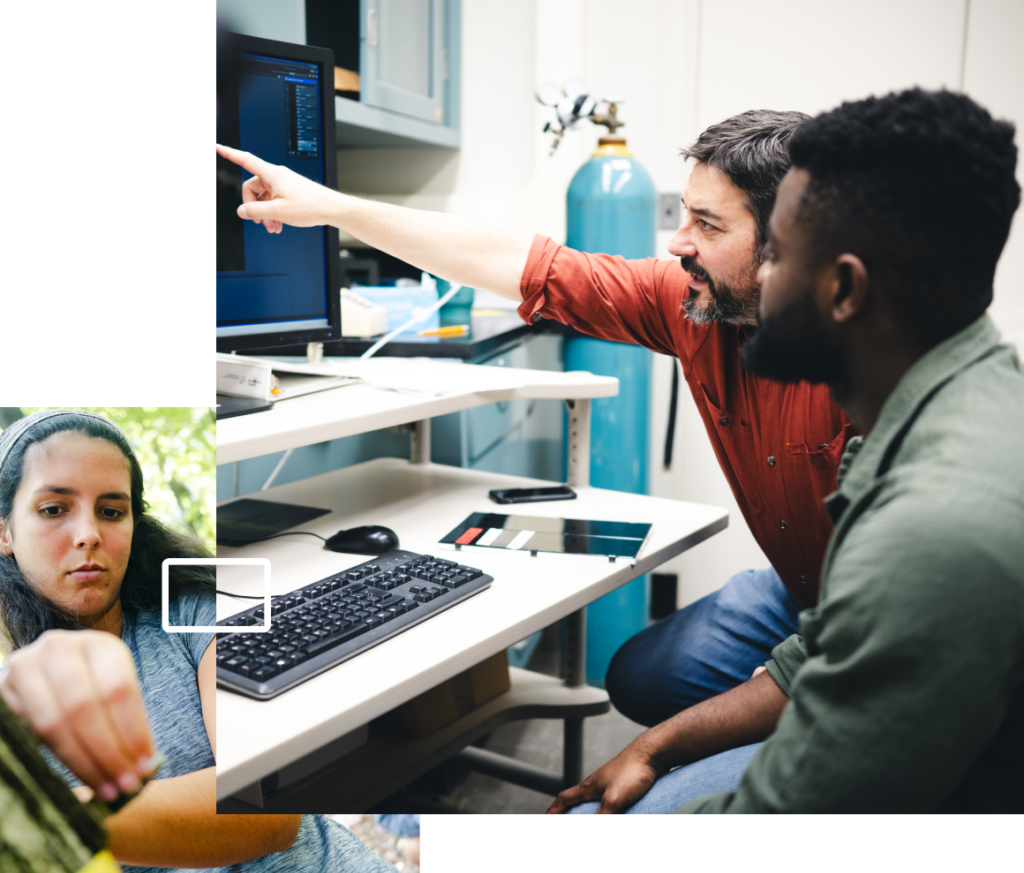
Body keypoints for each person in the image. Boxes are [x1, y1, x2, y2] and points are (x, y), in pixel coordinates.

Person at [216, 108, 857, 729]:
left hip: (874, 615)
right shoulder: (698, 305)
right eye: (685, 215)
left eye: (708, 227)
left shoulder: (868, 373)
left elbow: (901, 614)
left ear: (786, 247)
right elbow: (526, 263)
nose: (677, 243)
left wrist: (719, 721)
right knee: (637, 678)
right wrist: (329, 207)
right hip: (797, 591)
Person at [542, 87, 1024, 814]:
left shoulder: (936, 522)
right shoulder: (942, 393)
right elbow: (826, 641)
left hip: (965, 760)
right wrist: (657, 745)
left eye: (781, 253)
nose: (760, 276)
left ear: (843, 288)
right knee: (647, 685)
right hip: (884, 659)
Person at [0, 410, 421, 873]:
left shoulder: (193, 609)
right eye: (53, 508)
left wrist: (48, 815)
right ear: (5, 533)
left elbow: (266, 813)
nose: (88, 533)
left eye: (112, 511)